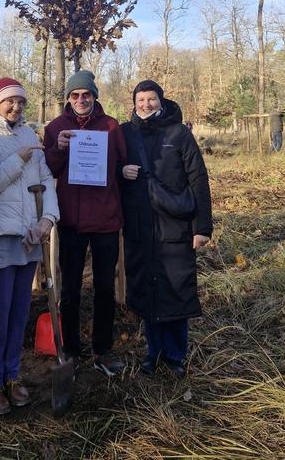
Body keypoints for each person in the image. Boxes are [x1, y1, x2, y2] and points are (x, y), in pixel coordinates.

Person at [0, 77, 60, 415]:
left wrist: (47, 221)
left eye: (21, 102)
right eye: (10, 101)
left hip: (28, 238)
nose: (16, 107)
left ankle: (12, 376)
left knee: (19, 312)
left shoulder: (28, 134)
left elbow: (46, 181)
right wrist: (19, 159)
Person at [120, 80, 212, 378]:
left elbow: (198, 179)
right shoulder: (126, 133)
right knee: (148, 290)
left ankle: (175, 355)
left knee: (176, 288)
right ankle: (153, 353)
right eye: (141, 99)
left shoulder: (179, 133)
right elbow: (111, 171)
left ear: (162, 101)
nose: (146, 104)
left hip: (176, 226)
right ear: (134, 103)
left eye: (151, 99)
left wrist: (202, 227)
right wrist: (122, 172)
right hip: (141, 228)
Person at [44, 70, 127, 377]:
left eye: (86, 95)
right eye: (75, 95)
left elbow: (121, 165)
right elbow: (48, 169)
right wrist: (59, 148)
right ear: (68, 98)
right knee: (71, 288)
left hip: (105, 219)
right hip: (72, 222)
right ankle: (71, 350)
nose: (81, 100)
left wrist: (128, 171)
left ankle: (102, 349)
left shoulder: (110, 126)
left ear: (95, 96)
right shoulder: (55, 128)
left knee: (105, 287)